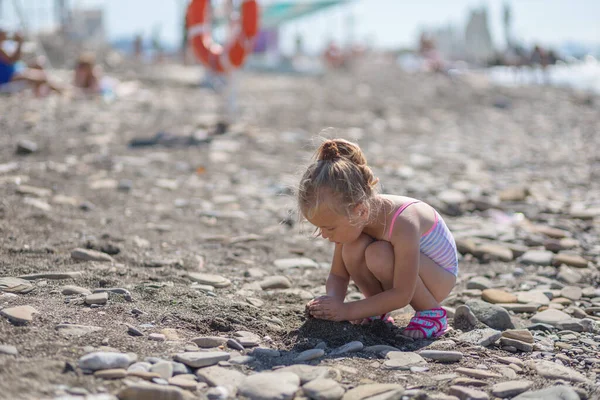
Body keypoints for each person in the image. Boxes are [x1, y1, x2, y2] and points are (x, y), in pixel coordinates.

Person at [301, 138, 458, 339]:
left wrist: (347, 311)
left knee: (378, 254)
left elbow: (402, 294)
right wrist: (330, 303)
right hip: (404, 275)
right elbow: (338, 276)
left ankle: (432, 312)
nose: (324, 235)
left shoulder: (404, 222)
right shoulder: (354, 217)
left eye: (329, 227)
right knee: (353, 248)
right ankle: (377, 309)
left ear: (360, 211)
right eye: (319, 228)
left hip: (437, 279)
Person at [0, 29, 61, 94]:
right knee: (41, 77)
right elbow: (12, 60)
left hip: (16, 70)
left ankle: (40, 93)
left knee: (38, 65)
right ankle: (61, 90)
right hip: (9, 77)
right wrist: (20, 43)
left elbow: (15, 60)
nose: (6, 35)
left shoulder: (4, 46)